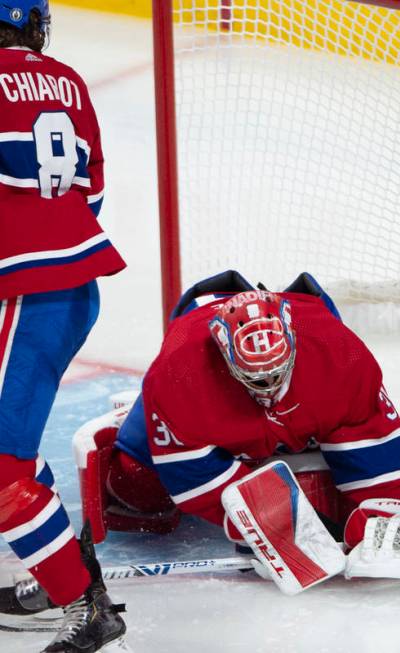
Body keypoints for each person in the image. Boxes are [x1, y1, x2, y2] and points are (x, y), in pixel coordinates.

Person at [102, 270, 400, 586]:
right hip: (204, 391)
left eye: (275, 374)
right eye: (255, 378)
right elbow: (189, 471)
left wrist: (380, 512)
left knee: (343, 430)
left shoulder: (339, 351)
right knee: (133, 482)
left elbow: (367, 429)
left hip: (308, 362)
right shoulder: (177, 373)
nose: (267, 386)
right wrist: (274, 523)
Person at [0, 2, 129, 650]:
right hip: (76, 289)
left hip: (29, 295)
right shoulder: (69, 82)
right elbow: (92, 190)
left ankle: (85, 605)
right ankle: (65, 577)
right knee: (10, 449)